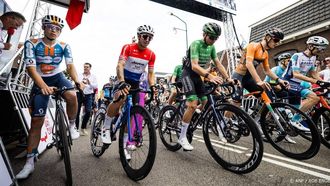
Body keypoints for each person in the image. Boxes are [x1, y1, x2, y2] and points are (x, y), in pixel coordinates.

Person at [16, 15, 84, 179]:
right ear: (44, 28)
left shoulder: (64, 45)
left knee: (72, 95)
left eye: (57, 29)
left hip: (57, 76)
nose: (54, 30)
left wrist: (76, 80)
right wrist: (43, 86)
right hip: (40, 79)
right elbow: (31, 69)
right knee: (36, 122)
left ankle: (72, 126)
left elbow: (70, 65)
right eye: (51, 27)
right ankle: (30, 163)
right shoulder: (31, 43)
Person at [102, 25, 157, 157]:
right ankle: (106, 127)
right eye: (145, 36)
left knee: (132, 114)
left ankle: (125, 145)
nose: (147, 39)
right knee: (119, 99)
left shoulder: (151, 54)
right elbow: (120, 64)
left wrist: (153, 87)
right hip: (123, 78)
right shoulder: (128, 47)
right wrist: (121, 81)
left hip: (135, 83)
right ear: (138, 36)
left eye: (150, 37)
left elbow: (150, 74)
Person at [179, 22, 234, 151]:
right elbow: (194, 66)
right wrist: (210, 76)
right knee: (193, 103)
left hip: (198, 76)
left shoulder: (212, 47)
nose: (213, 41)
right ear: (204, 34)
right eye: (211, 37)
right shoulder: (196, 44)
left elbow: (218, 64)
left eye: (216, 38)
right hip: (188, 74)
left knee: (204, 101)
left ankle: (190, 116)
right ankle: (182, 137)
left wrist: (228, 78)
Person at [283, 36, 329, 131]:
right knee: (314, 97)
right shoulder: (297, 56)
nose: (321, 51)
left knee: (297, 107)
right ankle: (294, 120)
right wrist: (316, 81)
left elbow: (313, 73)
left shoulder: (313, 58)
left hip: (299, 83)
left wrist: (325, 83)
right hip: (288, 81)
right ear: (311, 46)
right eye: (319, 48)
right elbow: (296, 74)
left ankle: (289, 123)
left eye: (323, 49)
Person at [76, 62, 98, 136]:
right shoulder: (79, 75)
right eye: (84, 67)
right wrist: (79, 84)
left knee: (88, 111)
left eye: (87, 67)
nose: (85, 68)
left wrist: (89, 82)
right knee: (77, 112)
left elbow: (95, 86)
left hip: (89, 95)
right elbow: (75, 82)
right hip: (79, 93)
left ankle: (83, 128)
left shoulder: (93, 76)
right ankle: (75, 129)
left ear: (90, 68)